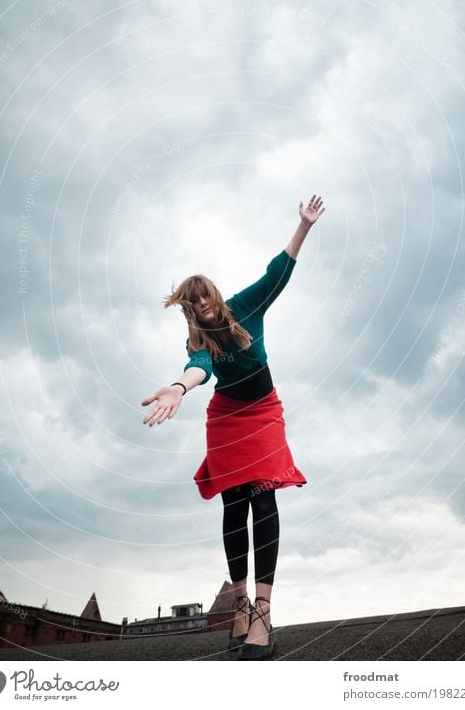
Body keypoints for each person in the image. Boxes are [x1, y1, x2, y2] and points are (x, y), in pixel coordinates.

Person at [142, 194, 325, 660]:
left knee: (263, 496)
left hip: (263, 411)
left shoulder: (245, 307)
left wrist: (302, 225)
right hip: (225, 418)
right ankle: (239, 604)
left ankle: (262, 613)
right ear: (187, 307)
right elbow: (198, 366)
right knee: (233, 504)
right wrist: (178, 388)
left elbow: (278, 273)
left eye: (204, 294)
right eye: (192, 299)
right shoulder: (197, 337)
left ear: (215, 294)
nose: (201, 302)